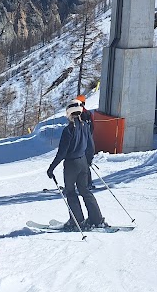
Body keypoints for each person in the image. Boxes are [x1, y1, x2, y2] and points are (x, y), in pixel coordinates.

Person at [47, 100, 107, 231]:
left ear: (68, 113)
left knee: (70, 191)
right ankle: (96, 220)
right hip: (83, 162)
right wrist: (89, 161)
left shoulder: (68, 130)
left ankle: (77, 221)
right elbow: (91, 146)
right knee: (85, 190)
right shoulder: (85, 126)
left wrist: (51, 168)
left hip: (71, 165)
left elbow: (62, 153)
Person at [75, 94, 95, 189]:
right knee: (85, 163)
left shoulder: (78, 114)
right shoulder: (89, 113)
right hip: (87, 141)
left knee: (80, 163)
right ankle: (87, 183)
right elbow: (93, 127)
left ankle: (85, 183)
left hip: (80, 142)